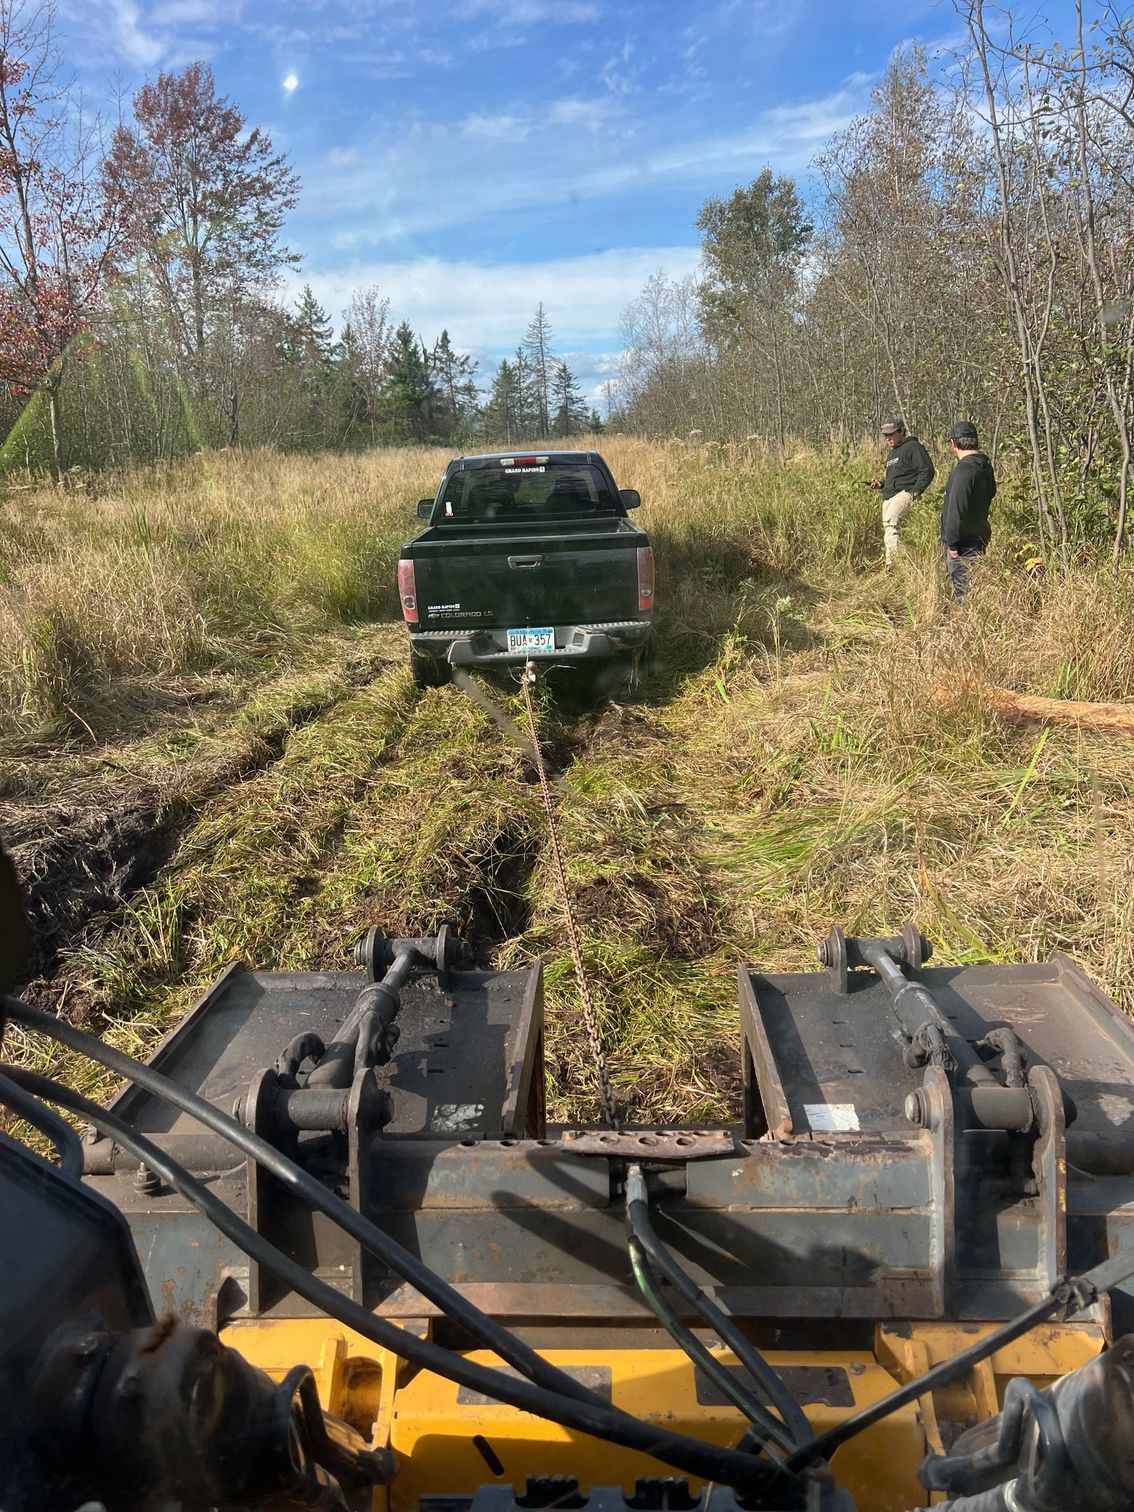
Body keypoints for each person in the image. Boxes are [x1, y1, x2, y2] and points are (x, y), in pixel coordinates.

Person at [866, 417, 935, 567]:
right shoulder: (892, 454)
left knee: (892, 526)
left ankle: (893, 566)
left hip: (904, 494)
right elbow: (895, 478)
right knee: (890, 531)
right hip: (889, 496)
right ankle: (903, 565)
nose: (888, 438)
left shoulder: (913, 447)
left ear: (901, 431)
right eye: (886, 435)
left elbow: (927, 470)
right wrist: (881, 484)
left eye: (891, 434)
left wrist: (914, 492)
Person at [941, 420, 996, 600]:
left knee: (962, 592)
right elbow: (991, 493)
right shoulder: (985, 467)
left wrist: (952, 544)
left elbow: (955, 510)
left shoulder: (963, 471)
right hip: (979, 537)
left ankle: (964, 626)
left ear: (953, 443)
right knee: (975, 590)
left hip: (962, 544)